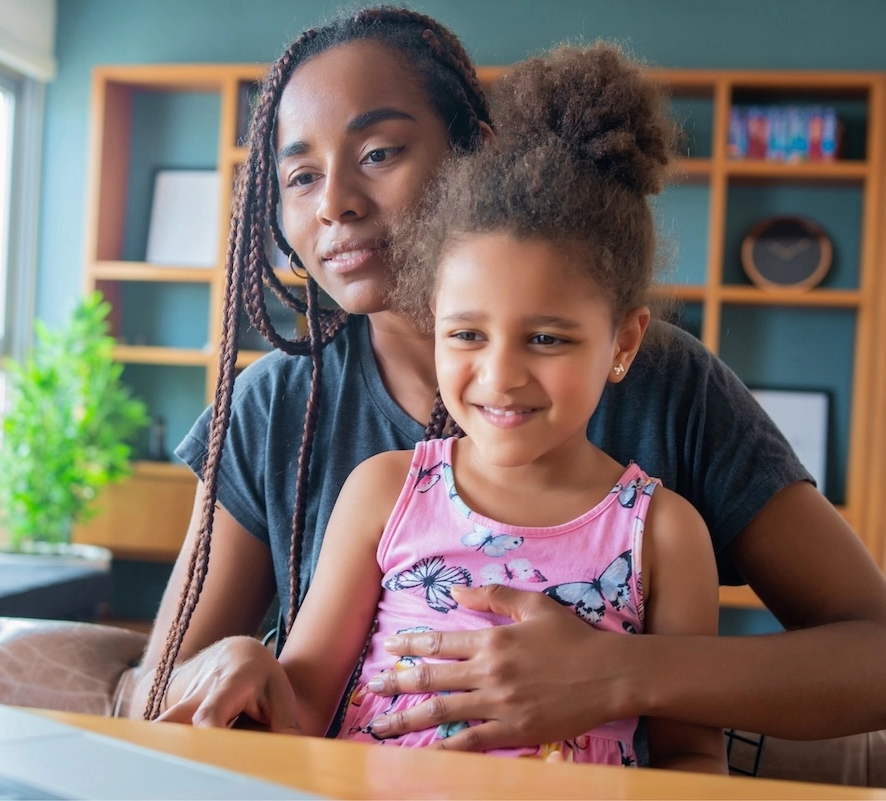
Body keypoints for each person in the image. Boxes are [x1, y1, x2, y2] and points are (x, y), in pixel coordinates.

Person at [132, 6, 886, 751]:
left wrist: (623, 673)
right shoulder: (278, 404)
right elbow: (157, 694)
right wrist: (238, 664)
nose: (334, 203)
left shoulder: (669, 387)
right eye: (299, 175)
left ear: (475, 153)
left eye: (379, 152)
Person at [243, 42, 727, 773]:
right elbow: (301, 703)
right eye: (467, 333)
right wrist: (242, 667)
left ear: (625, 341)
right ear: (433, 318)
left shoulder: (665, 536)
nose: (500, 375)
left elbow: (693, 757)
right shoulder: (383, 492)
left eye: (546, 337)